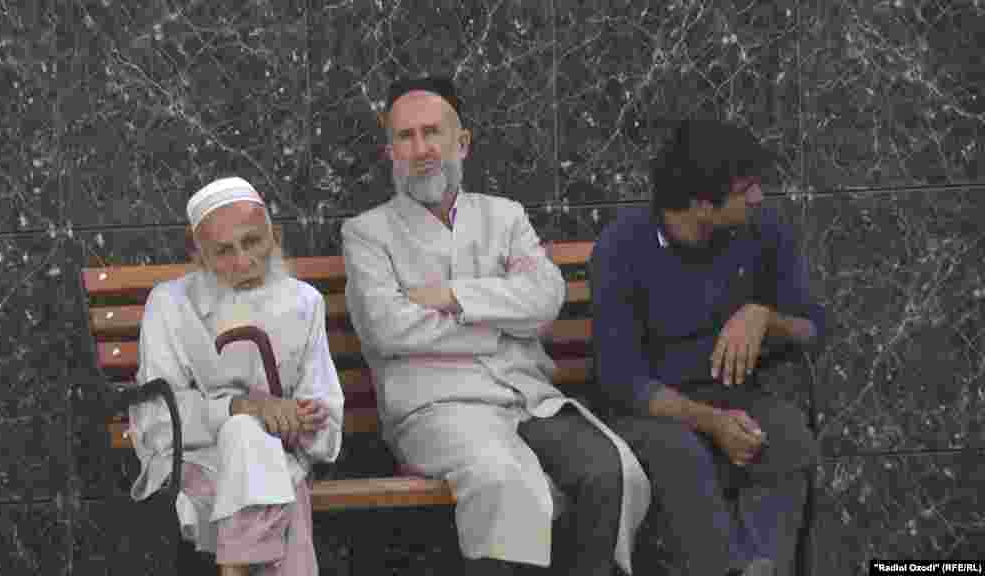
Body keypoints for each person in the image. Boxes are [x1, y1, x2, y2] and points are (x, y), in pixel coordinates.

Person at [342, 76, 651, 576]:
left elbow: (546, 297)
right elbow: (386, 329)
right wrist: (502, 323)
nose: (421, 149)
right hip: (437, 408)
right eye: (405, 137)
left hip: (528, 398)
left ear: (461, 141)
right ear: (390, 152)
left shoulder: (505, 217)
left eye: (432, 132)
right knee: (504, 481)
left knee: (610, 471)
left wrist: (451, 297)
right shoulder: (366, 233)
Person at [590, 118, 825, 576]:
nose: (758, 197)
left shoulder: (763, 233)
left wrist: (764, 316)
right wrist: (712, 422)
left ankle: (760, 567)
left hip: (735, 396)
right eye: (745, 189)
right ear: (701, 203)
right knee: (682, 452)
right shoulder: (623, 246)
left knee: (788, 436)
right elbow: (621, 379)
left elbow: (814, 330)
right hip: (649, 409)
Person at [128, 176, 345, 576]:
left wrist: (301, 421)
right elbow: (158, 419)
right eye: (223, 251)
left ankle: (235, 565)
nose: (243, 262)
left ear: (274, 236)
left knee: (257, 451)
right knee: (251, 443)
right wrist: (241, 409)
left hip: (282, 455)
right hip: (195, 461)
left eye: (253, 242)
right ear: (199, 256)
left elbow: (325, 416)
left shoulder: (304, 302)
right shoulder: (169, 305)